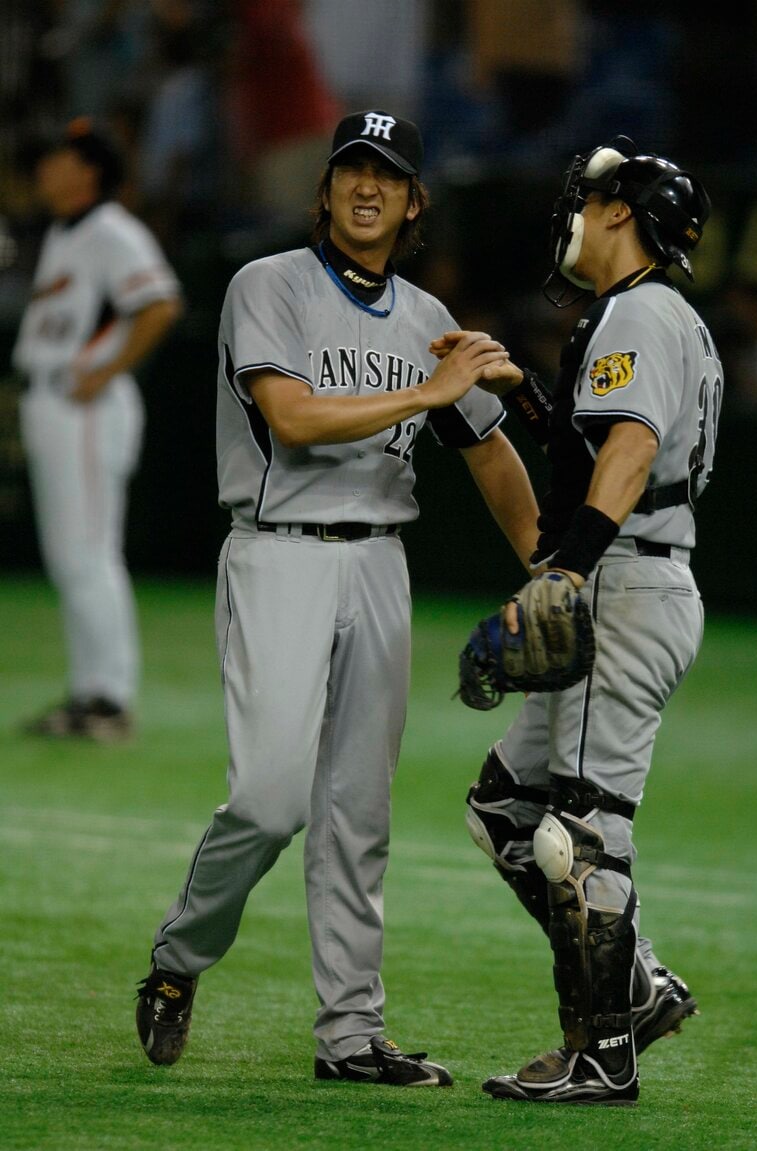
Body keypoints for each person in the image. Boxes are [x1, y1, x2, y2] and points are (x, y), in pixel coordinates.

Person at [135, 108, 540, 1087]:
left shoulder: (425, 319)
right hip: (279, 555)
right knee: (271, 798)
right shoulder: (265, 285)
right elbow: (292, 416)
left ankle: (352, 1034)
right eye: (351, 169)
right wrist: (427, 394)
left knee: (358, 810)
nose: (367, 186)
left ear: (413, 202)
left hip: (377, 567)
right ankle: (179, 958)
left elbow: (489, 448)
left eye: (388, 174)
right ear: (324, 191)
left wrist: (550, 563)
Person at [435, 135, 721, 1104]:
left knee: (581, 838)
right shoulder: (646, 313)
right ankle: (634, 990)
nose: (576, 212)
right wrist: (530, 402)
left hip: (628, 586)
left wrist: (565, 571)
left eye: (592, 198)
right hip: (631, 576)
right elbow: (603, 443)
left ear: (619, 214)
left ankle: (601, 1051)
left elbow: (633, 452)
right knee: (506, 812)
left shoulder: (640, 310)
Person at [13, 117, 182, 742]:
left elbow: (160, 303)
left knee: (87, 552)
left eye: (58, 157)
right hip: (54, 403)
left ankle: (110, 699)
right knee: (71, 556)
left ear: (88, 171)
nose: (44, 168)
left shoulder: (112, 230)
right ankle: (89, 694)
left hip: (83, 405)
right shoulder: (66, 232)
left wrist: (105, 369)